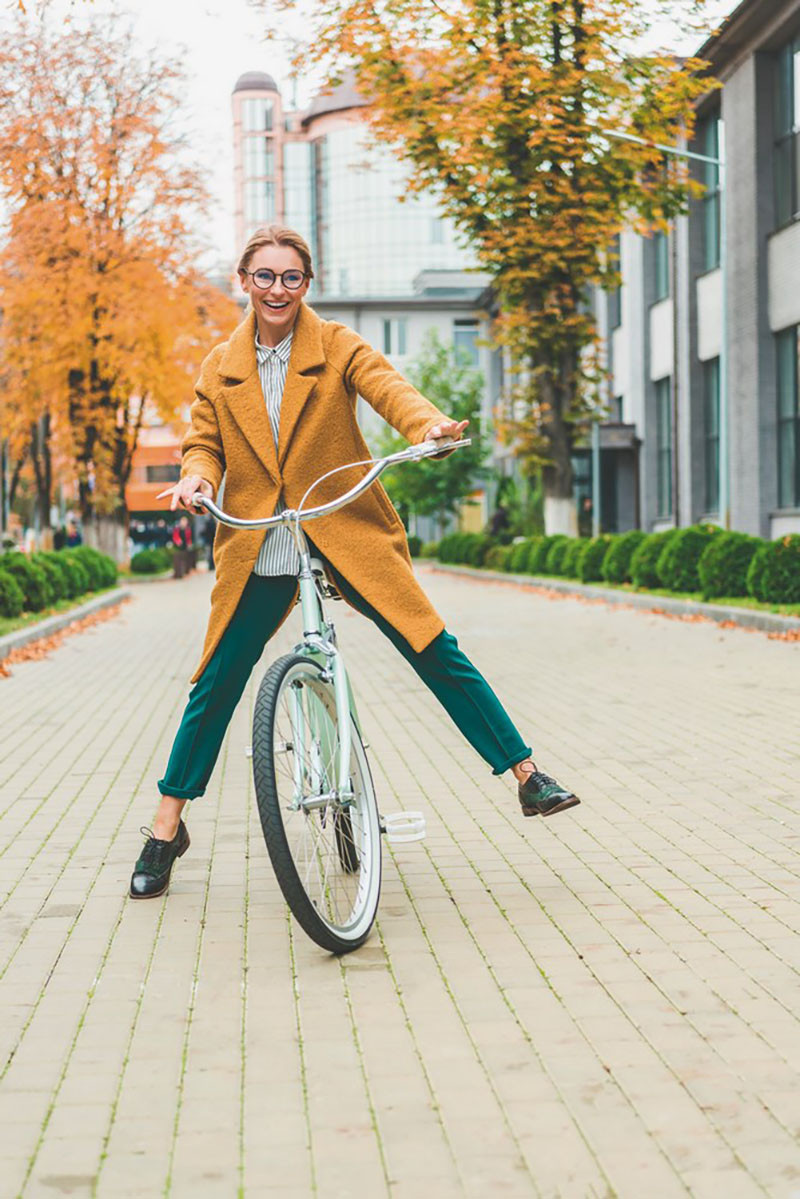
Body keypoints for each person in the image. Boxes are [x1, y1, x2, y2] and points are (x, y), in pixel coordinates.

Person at [129, 225, 579, 899]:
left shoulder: (337, 344)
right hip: (261, 538)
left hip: (342, 524)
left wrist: (427, 427)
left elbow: (389, 389)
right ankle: (167, 827)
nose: (277, 289)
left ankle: (526, 774)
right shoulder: (219, 366)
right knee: (216, 679)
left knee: (430, 642)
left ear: (306, 283)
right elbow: (204, 443)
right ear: (244, 281)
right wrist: (197, 477)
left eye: (291, 277)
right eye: (264, 276)